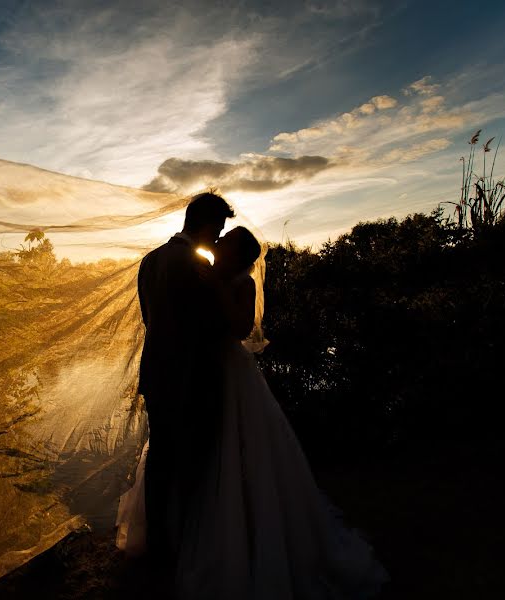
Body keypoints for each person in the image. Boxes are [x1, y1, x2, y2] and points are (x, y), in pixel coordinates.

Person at [120, 223, 390, 599]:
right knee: (207, 449)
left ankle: (244, 530)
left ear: (239, 254)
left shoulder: (240, 283)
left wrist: (214, 286)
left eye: (225, 241)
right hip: (203, 371)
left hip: (231, 373)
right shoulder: (202, 269)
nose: (217, 242)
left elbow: (240, 328)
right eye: (219, 238)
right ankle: (195, 527)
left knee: (240, 448)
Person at [132, 192, 236, 572]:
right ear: (207, 226)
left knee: (161, 457)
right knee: (190, 460)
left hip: (158, 372)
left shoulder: (151, 260)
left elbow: (149, 318)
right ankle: (184, 541)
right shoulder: (192, 263)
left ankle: (160, 538)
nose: (217, 238)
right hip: (189, 376)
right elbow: (207, 327)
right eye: (218, 230)